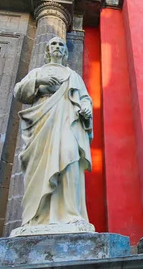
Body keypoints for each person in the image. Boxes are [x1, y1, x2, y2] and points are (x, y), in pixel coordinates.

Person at [12, 36, 93, 235]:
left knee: (70, 157)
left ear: (65, 52)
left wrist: (86, 108)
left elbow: (84, 98)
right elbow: (19, 92)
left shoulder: (72, 75)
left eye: (60, 45)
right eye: (53, 44)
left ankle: (71, 214)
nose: (57, 47)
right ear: (47, 51)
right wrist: (39, 81)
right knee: (40, 164)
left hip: (67, 119)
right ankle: (38, 218)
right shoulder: (37, 72)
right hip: (42, 120)